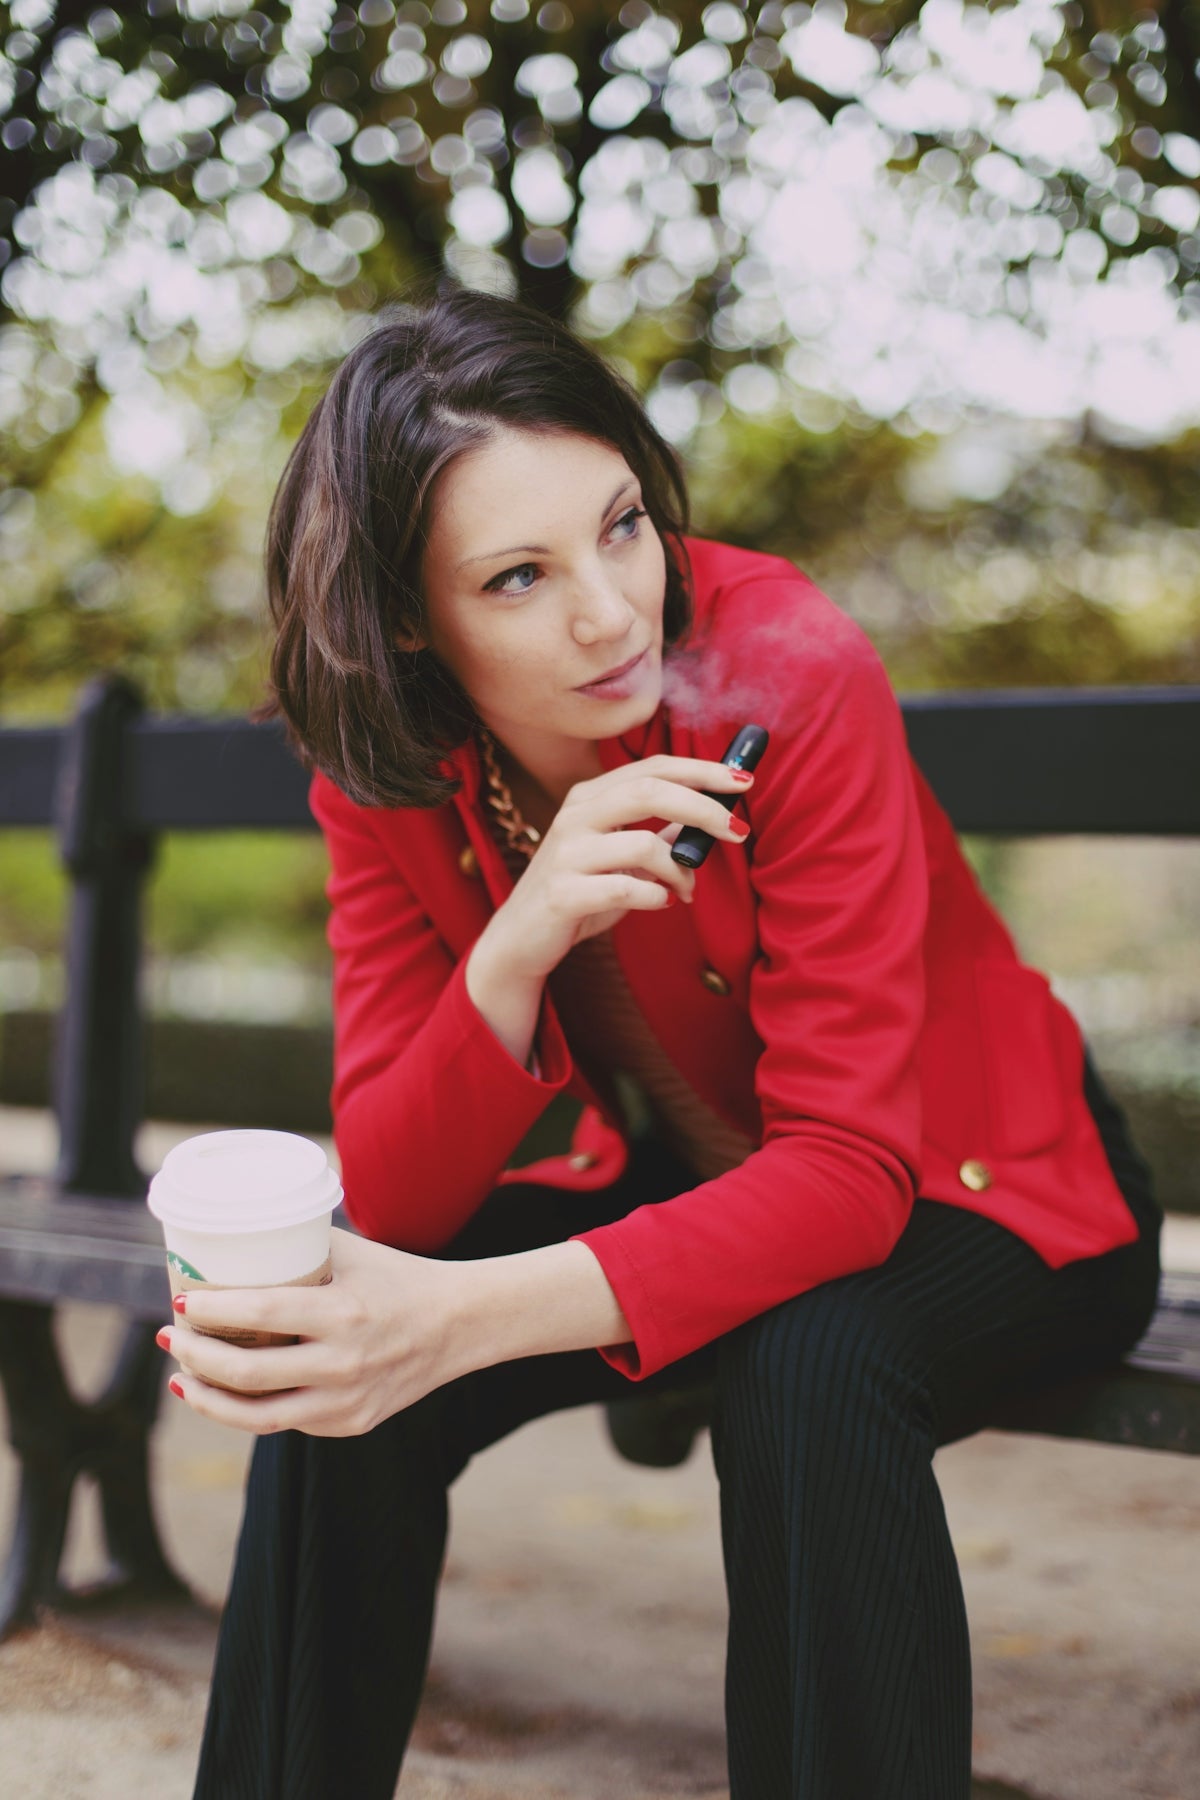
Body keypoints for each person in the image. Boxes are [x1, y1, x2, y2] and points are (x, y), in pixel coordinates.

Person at [161, 281, 1162, 1800]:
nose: (612, 610)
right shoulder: (385, 764)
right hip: (681, 1170)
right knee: (334, 1338)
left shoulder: (789, 670)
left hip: (985, 1183)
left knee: (806, 1358)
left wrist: (455, 1320)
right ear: (405, 627)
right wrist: (517, 942)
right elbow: (402, 1189)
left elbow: (844, 1174)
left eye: (623, 522)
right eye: (515, 576)